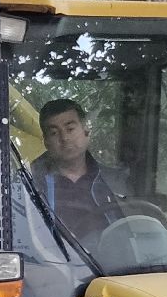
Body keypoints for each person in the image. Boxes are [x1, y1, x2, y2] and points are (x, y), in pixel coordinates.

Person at [31, 98, 137, 240]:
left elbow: (134, 228)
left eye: (70, 129)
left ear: (86, 131)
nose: (65, 138)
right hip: (51, 261)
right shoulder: (31, 184)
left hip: (113, 260)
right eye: (54, 133)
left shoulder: (114, 181)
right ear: (46, 141)